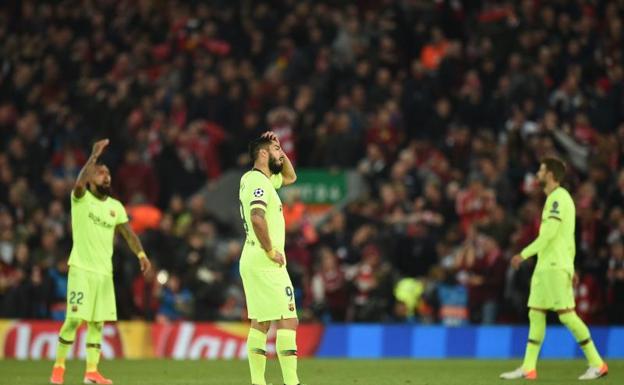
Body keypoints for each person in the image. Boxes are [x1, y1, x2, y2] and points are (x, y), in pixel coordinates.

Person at [50, 139, 151, 385]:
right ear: (91, 178)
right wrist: (93, 157)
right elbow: (78, 183)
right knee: (74, 320)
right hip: (82, 269)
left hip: (104, 274)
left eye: (108, 174)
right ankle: (58, 368)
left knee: (97, 323)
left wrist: (141, 254)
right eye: (101, 173)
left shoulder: (115, 206)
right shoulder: (81, 199)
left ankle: (91, 372)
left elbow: (128, 232)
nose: (106, 177)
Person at [500, 157, 607, 381]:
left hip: (553, 267)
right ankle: (528, 367)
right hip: (548, 266)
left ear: (550, 175)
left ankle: (597, 363)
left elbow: (548, 235)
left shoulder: (558, 199)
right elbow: (566, 238)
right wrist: (571, 265)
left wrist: (524, 254)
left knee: (567, 315)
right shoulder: (554, 199)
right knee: (536, 313)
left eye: (540, 170)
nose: (538, 174)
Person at [238, 132, 300, 385]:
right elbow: (256, 217)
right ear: (263, 154)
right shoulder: (259, 183)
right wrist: (271, 250)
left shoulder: (255, 179)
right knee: (289, 319)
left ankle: (258, 382)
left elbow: (290, 176)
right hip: (264, 259)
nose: (281, 154)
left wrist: (279, 148)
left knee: (261, 321)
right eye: (275, 150)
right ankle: (292, 383)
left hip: (252, 257)